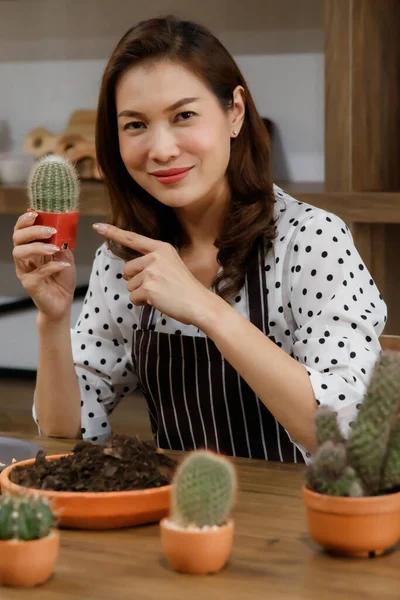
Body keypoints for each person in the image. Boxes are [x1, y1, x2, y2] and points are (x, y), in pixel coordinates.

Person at [12, 16, 386, 463]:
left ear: (235, 112)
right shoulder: (125, 254)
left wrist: (205, 308)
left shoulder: (310, 239)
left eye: (184, 115)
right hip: (175, 519)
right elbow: (68, 434)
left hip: (296, 522)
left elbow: (345, 434)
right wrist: (52, 323)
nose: (162, 149)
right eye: (135, 125)